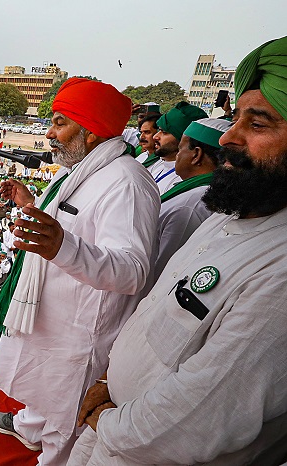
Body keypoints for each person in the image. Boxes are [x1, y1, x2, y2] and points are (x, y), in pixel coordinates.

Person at [68, 35, 287, 466]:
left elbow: (197, 417)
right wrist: (110, 380)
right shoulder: (233, 212)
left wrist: (108, 421)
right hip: (111, 423)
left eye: (257, 124)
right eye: (236, 119)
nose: (230, 137)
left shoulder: (279, 272)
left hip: (141, 450)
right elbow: (157, 305)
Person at [0, 77, 160, 465]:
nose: (49, 134)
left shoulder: (126, 184)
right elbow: (71, 225)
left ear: (92, 132)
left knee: (67, 422)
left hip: (82, 332)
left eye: (59, 123)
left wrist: (61, 247)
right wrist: (32, 204)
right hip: (54, 319)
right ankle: (32, 430)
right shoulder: (83, 169)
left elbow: (133, 271)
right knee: (46, 396)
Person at [153, 118, 230, 281]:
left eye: (180, 149)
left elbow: (162, 268)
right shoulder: (197, 191)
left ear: (196, 155)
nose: (177, 156)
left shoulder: (192, 205)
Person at [148, 102, 208, 194]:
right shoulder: (159, 162)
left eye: (164, 132)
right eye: (159, 130)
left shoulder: (184, 176)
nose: (155, 137)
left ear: (183, 138)